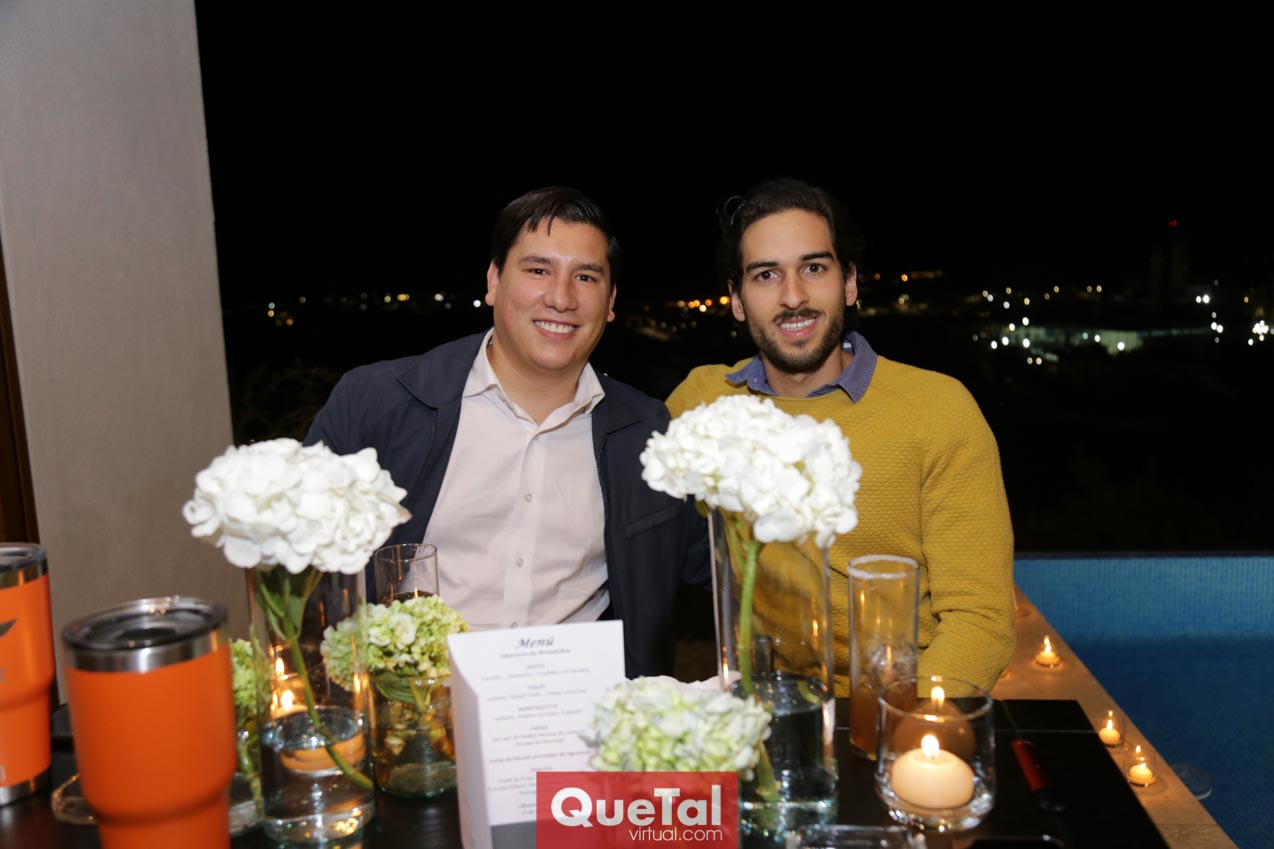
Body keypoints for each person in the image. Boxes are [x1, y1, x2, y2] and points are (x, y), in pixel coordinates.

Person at [305, 186, 707, 678]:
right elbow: (298, 575)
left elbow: (725, 570)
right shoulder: (376, 406)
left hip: (579, 709)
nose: (561, 298)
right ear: (494, 281)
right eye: (538, 270)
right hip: (411, 704)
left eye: (585, 277)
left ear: (610, 302)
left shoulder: (648, 437)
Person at [667, 177, 1015, 694]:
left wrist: (897, 723)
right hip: (763, 706)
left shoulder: (938, 410)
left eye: (814, 268)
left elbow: (979, 621)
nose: (793, 297)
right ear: (736, 300)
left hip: (896, 703)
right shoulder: (702, 402)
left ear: (849, 283)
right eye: (766, 275)